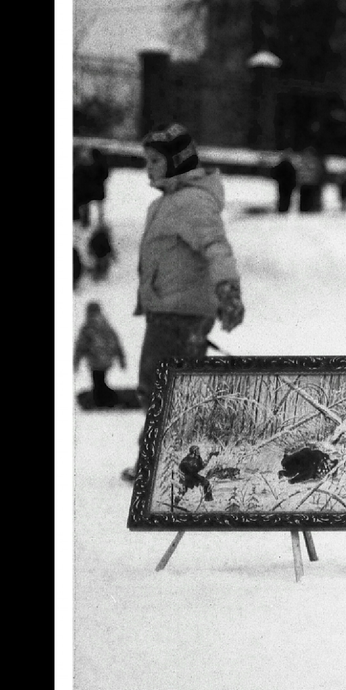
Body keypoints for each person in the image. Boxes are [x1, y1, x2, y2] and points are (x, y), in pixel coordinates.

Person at [121, 124, 244, 482]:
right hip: (169, 310)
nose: (149, 168)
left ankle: (163, 461)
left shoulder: (191, 201)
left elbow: (216, 247)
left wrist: (228, 290)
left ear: (177, 161)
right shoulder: (166, 202)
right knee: (165, 385)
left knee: (162, 386)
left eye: (156, 160)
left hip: (181, 313)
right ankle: (162, 456)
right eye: (147, 161)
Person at [75, 301, 127, 408]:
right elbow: (116, 342)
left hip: (95, 361)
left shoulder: (87, 327)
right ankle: (106, 398)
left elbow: (80, 347)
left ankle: (107, 399)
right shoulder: (106, 325)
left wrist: (76, 362)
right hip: (107, 360)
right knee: (100, 381)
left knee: (98, 382)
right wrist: (121, 358)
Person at [295, 144, 326, 213]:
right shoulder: (312, 161)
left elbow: (299, 172)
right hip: (309, 183)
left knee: (308, 198)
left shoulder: (303, 161)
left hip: (309, 183)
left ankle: (308, 209)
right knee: (306, 198)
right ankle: (308, 209)